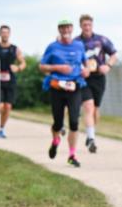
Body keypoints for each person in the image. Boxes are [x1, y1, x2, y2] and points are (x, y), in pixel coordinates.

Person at [40, 19, 90, 167]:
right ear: (59, 30)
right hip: (57, 88)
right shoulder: (52, 47)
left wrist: (86, 70)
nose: (66, 30)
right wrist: (58, 67)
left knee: (74, 122)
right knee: (58, 123)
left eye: (68, 27)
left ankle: (72, 155)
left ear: (72, 28)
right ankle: (55, 141)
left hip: (74, 87)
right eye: (62, 27)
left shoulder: (79, 45)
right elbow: (42, 66)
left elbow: (85, 64)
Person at [77, 14, 117, 153]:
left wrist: (108, 66)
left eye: (89, 24)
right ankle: (91, 138)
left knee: (95, 109)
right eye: (84, 25)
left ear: (92, 25)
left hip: (99, 78)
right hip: (84, 79)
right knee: (88, 106)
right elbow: (72, 59)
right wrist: (82, 69)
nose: (87, 27)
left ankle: (91, 132)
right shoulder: (76, 42)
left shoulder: (101, 40)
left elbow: (113, 54)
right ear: (80, 26)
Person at [0, 26, 25, 138]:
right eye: (3, 32)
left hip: (10, 80)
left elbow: (23, 63)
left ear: (9, 34)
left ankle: (1, 128)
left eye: (6, 32)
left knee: (7, 107)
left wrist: (18, 68)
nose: (5, 34)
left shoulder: (15, 49)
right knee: (0, 106)